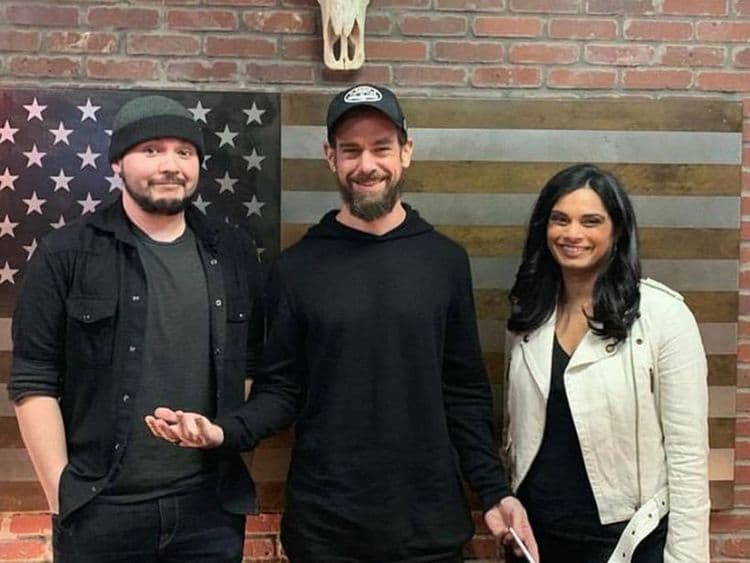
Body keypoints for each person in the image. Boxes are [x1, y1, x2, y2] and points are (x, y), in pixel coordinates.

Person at [146, 83, 538, 562]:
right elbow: (281, 390)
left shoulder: (445, 261)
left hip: (429, 528)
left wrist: (495, 492)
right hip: (325, 530)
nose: (366, 164)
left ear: (406, 152)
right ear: (330, 157)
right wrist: (223, 432)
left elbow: (464, 394)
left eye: (381, 148)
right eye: (351, 150)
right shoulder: (296, 269)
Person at [9, 95, 264, 562]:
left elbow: (248, 369)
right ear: (117, 163)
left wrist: (231, 445)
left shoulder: (232, 252)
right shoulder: (66, 253)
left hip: (209, 513)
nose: (170, 165)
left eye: (184, 152)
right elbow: (33, 380)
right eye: (151, 150)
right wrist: (63, 496)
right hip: (101, 512)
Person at [504, 163, 710, 563]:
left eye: (591, 221)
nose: (572, 233)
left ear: (617, 231)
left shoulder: (663, 317)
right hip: (537, 539)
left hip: (627, 542)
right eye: (560, 219)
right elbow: (515, 432)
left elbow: (688, 458)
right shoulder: (528, 315)